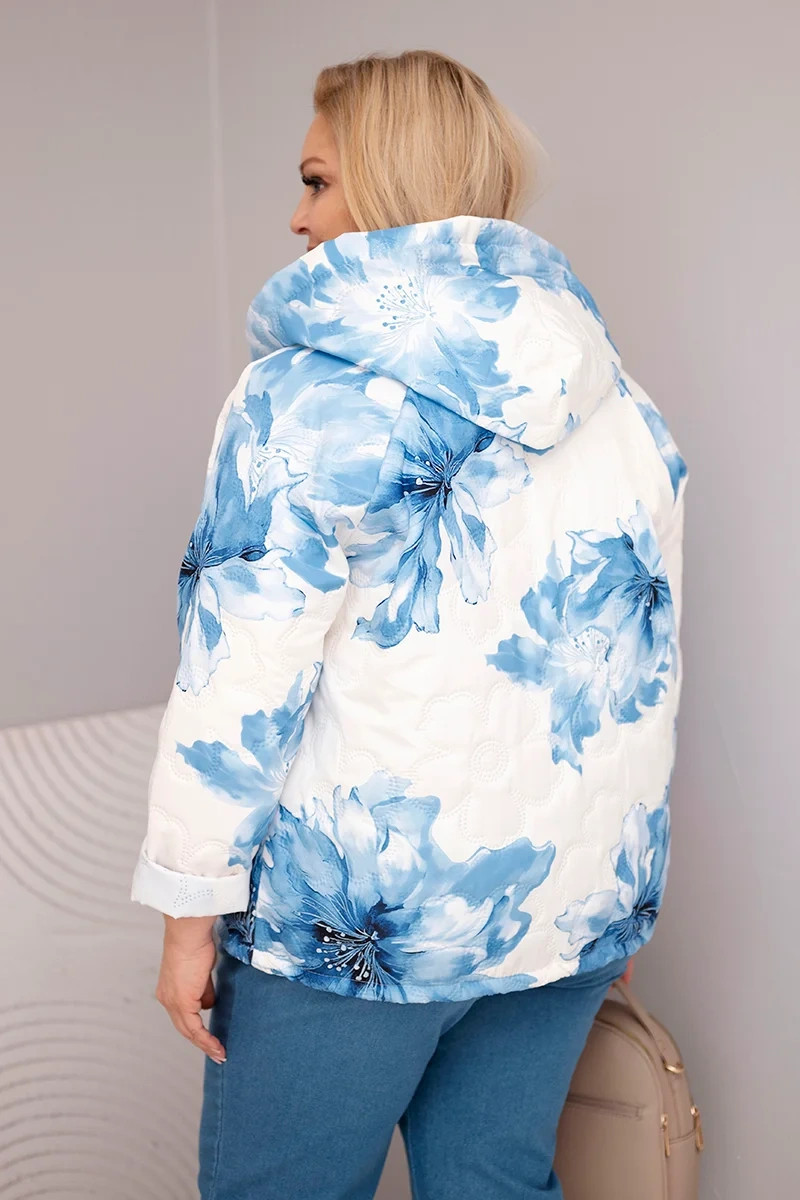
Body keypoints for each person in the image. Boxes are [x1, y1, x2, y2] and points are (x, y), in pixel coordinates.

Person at [130, 49, 687, 1200]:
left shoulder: (300, 396)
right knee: (497, 1183)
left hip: (356, 925)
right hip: (559, 908)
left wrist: (189, 911)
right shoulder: (620, 403)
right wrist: (601, 898)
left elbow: (237, 680)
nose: (295, 217)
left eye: (316, 181)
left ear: (388, 182)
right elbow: (637, 661)